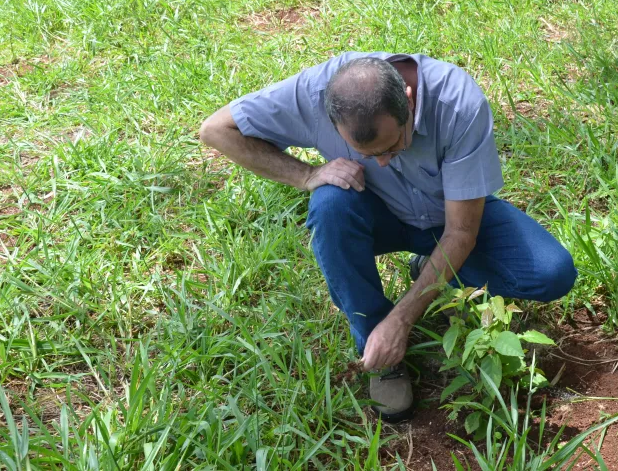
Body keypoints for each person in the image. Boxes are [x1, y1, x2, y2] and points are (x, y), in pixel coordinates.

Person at [198, 52, 576, 422]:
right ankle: (379, 353)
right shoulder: (313, 92)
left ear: (408, 103)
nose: (380, 162)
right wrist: (305, 174)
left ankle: (424, 274)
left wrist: (403, 319)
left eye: (393, 146)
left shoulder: (457, 102)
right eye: (366, 153)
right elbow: (215, 130)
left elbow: (461, 231)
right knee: (329, 205)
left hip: (450, 216)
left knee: (551, 272)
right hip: (375, 216)